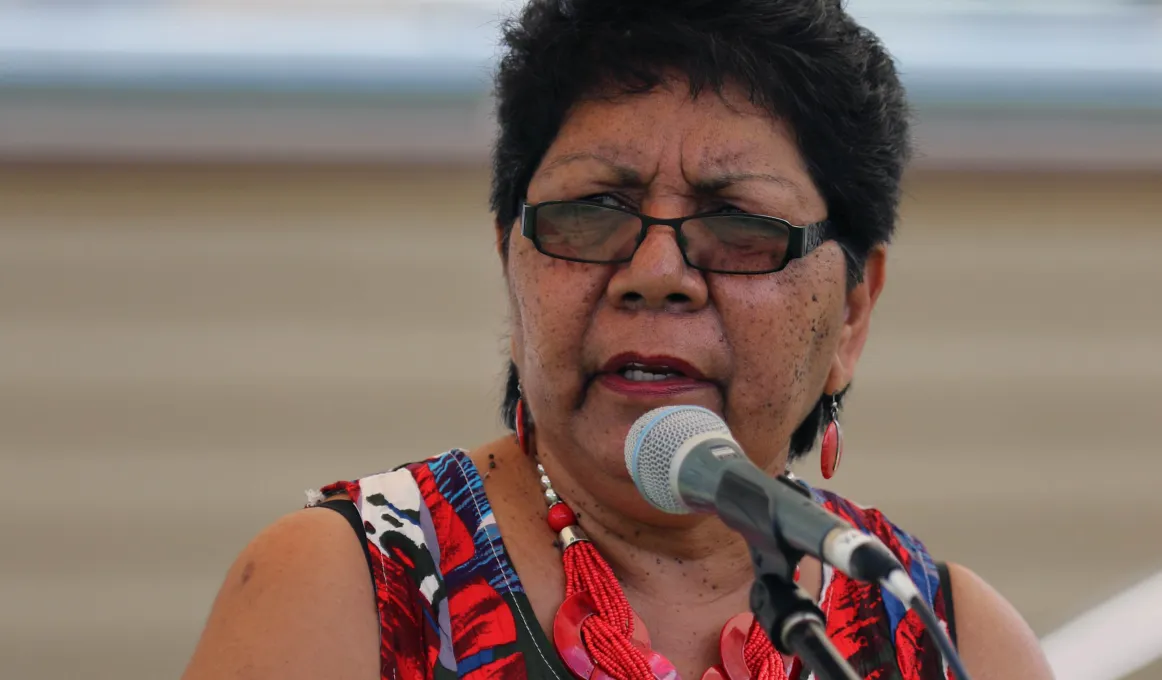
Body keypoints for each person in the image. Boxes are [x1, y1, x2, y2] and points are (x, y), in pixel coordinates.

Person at [181, 1, 1054, 679]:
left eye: (737, 224)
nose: (657, 269)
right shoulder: (351, 591)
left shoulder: (948, 637)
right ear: (510, 263)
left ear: (853, 311)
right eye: (594, 209)